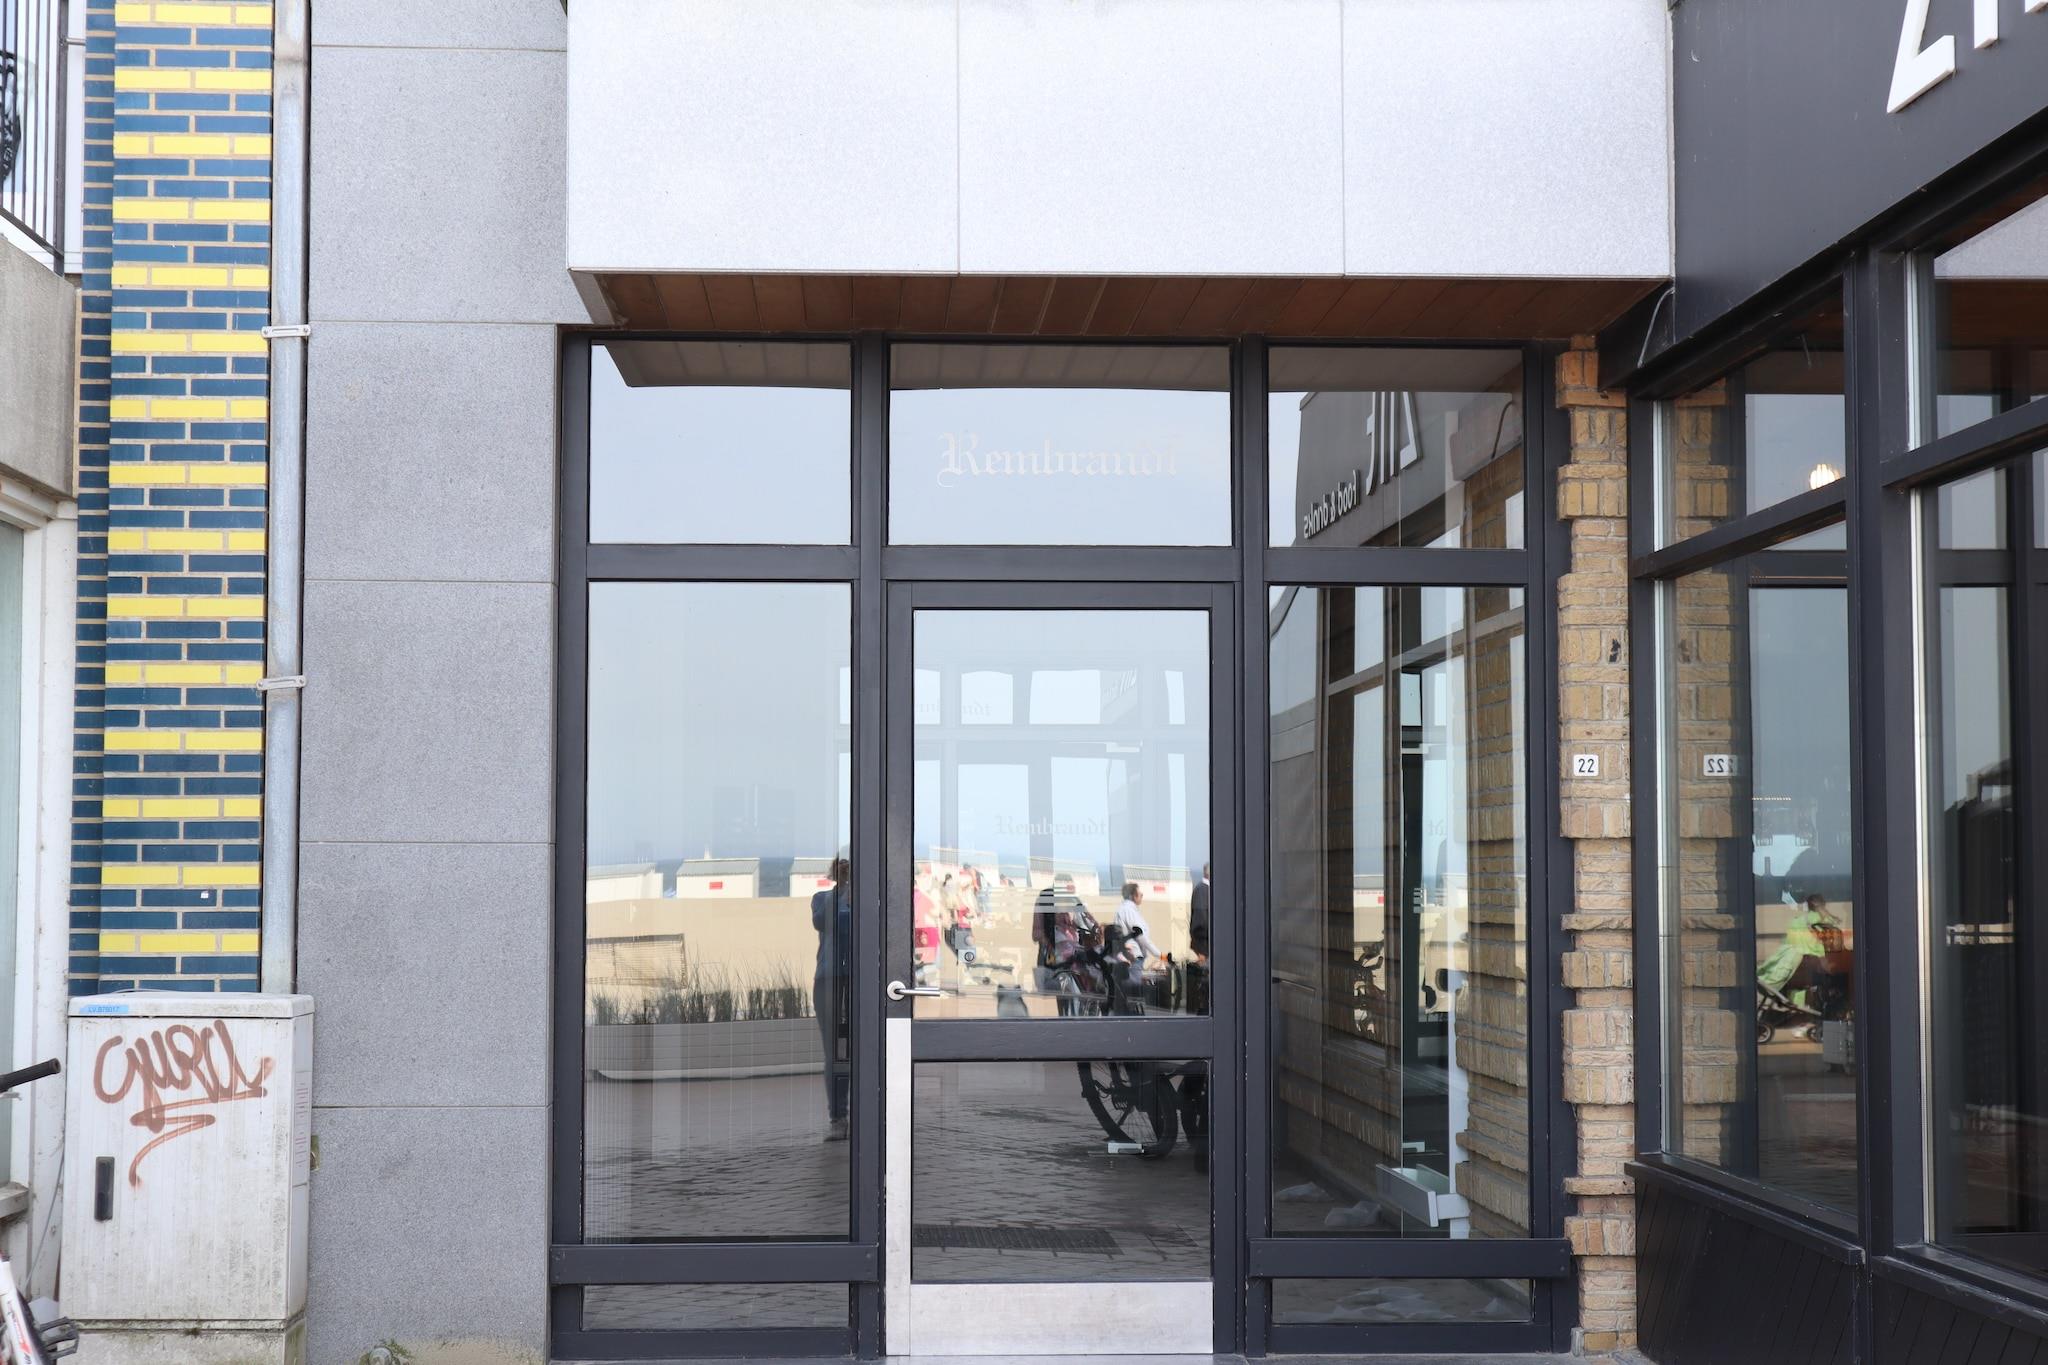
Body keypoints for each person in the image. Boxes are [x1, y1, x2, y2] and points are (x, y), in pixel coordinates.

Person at [811, 857, 852, 1141]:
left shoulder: (866, 899)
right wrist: (842, 893)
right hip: (829, 980)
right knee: (835, 1051)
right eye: (842, 870)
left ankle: (862, 1113)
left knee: (859, 1048)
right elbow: (823, 922)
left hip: (858, 981)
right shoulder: (822, 898)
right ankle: (838, 1117)